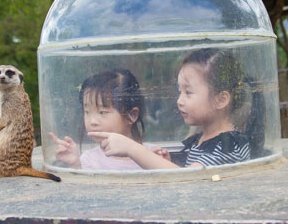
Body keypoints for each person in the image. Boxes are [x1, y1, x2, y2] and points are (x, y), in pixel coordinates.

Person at [89, 48, 251, 169]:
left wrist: (132, 148)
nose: (179, 101)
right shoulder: (201, 140)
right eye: (179, 91)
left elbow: (188, 179)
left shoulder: (229, 146)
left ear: (221, 99)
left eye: (188, 92)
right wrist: (169, 161)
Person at [49, 69, 150, 170]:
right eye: (87, 111)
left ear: (132, 115)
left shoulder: (153, 154)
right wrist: (75, 165)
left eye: (102, 112)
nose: (92, 121)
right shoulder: (89, 160)